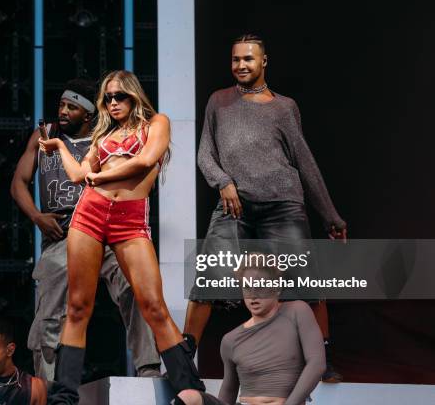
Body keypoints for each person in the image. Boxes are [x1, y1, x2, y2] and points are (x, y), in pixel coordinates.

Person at [184, 34, 347, 382]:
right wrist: (223, 182)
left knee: (304, 285)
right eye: (235, 59)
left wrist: (331, 217)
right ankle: (184, 357)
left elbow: (305, 163)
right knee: (209, 278)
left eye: (248, 59)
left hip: (282, 206)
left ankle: (322, 357)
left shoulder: (284, 107)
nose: (241, 65)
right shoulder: (219, 101)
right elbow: (204, 154)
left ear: (263, 62)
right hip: (235, 208)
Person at [39, 70, 205, 404]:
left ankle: (188, 386)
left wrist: (99, 176)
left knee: (153, 305)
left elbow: (144, 161)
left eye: (120, 96)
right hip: (89, 215)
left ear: (134, 96)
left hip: (129, 222)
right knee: (78, 306)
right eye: (108, 98)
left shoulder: (156, 124)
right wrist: (58, 145)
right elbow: (78, 176)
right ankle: (65, 394)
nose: (113, 102)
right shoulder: (102, 137)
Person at [10, 79, 161, 381]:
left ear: (89, 115)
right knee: (50, 316)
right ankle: (50, 387)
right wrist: (37, 217)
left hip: (106, 233)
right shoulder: (45, 135)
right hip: (63, 234)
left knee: (137, 291)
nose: (63, 111)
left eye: (72, 107)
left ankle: (149, 373)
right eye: (62, 105)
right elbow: (18, 183)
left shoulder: (105, 137)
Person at [177, 256, 326, 405]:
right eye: (247, 287)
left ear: (277, 288)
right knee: (188, 397)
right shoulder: (230, 339)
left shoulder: (297, 311)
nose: (253, 294)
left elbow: (317, 364)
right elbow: (229, 390)